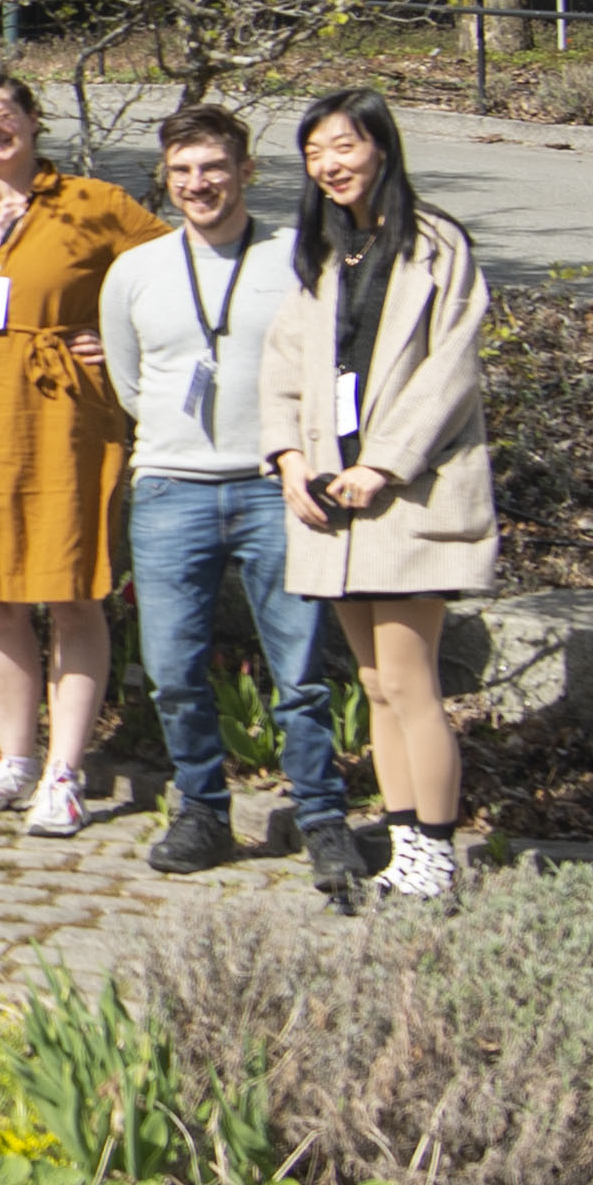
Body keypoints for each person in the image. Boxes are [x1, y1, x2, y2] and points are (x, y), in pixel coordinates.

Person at [271, 87, 500, 910]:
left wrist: (386, 465)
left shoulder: (435, 245)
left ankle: (434, 852)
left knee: (410, 681)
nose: (330, 166)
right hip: (332, 501)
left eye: (344, 147)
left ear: (381, 148)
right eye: (315, 153)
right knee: (372, 685)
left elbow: (451, 371)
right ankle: (404, 843)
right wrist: (290, 458)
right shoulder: (325, 252)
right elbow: (285, 365)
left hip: (409, 499)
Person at [115, 103, 353, 891]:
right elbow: (128, 379)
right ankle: (204, 812)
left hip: (271, 487)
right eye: (181, 171)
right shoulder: (138, 271)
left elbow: (327, 364)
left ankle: (321, 818)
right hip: (172, 489)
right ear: (165, 178)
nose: (198, 183)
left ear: (247, 171)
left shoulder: (296, 258)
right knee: (173, 669)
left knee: (300, 674)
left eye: (213, 167)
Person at [0, 73, 160, 836]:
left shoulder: (92, 204)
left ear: (33, 119)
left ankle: (66, 772)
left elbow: (175, 265)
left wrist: (122, 349)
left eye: (4, 114)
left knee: (69, 590)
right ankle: (14, 758)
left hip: (60, 422)